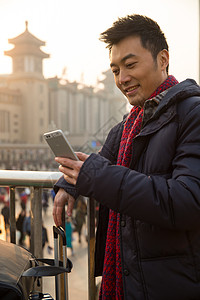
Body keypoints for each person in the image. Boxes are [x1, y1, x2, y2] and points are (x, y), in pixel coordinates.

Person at [52, 14, 200, 300]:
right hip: (130, 279)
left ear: (163, 59)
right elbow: (98, 161)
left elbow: (188, 200)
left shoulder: (191, 113)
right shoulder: (128, 125)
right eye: (116, 70)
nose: (123, 79)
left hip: (171, 283)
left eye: (131, 65)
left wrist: (94, 177)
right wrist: (70, 183)